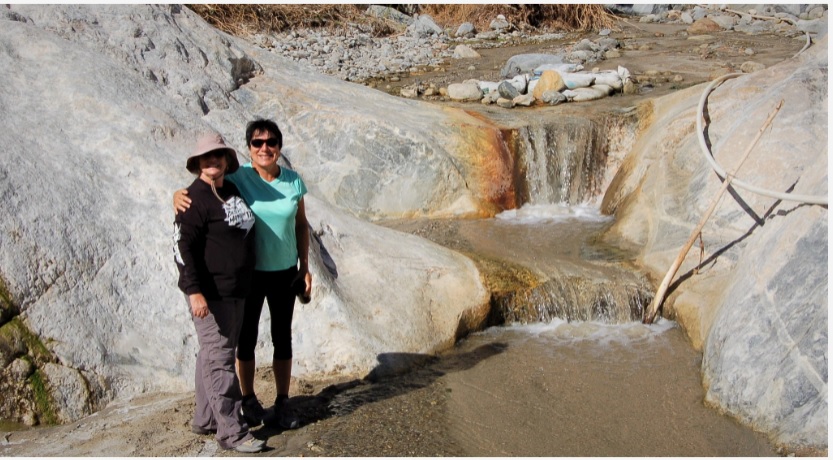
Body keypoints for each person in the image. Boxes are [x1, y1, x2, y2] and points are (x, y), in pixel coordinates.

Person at [175, 119, 311, 430]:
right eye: (257, 143)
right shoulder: (239, 177)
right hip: (250, 274)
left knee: (282, 337)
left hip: (285, 271)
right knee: (245, 339)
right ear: (248, 148)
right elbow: (206, 181)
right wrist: (177, 196)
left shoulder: (293, 181)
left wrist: (304, 266)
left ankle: (283, 401)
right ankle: (248, 399)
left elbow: (301, 224)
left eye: (271, 142)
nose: (265, 148)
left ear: (279, 146)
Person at [173, 132, 265, 453]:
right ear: (198, 163)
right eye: (206, 157)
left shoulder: (231, 189)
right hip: (210, 295)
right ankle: (232, 433)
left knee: (211, 355)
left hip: (235, 291)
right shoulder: (192, 199)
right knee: (221, 363)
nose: (213, 161)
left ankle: (206, 418)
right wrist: (194, 292)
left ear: (227, 160)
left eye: (218, 155)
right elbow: (181, 248)